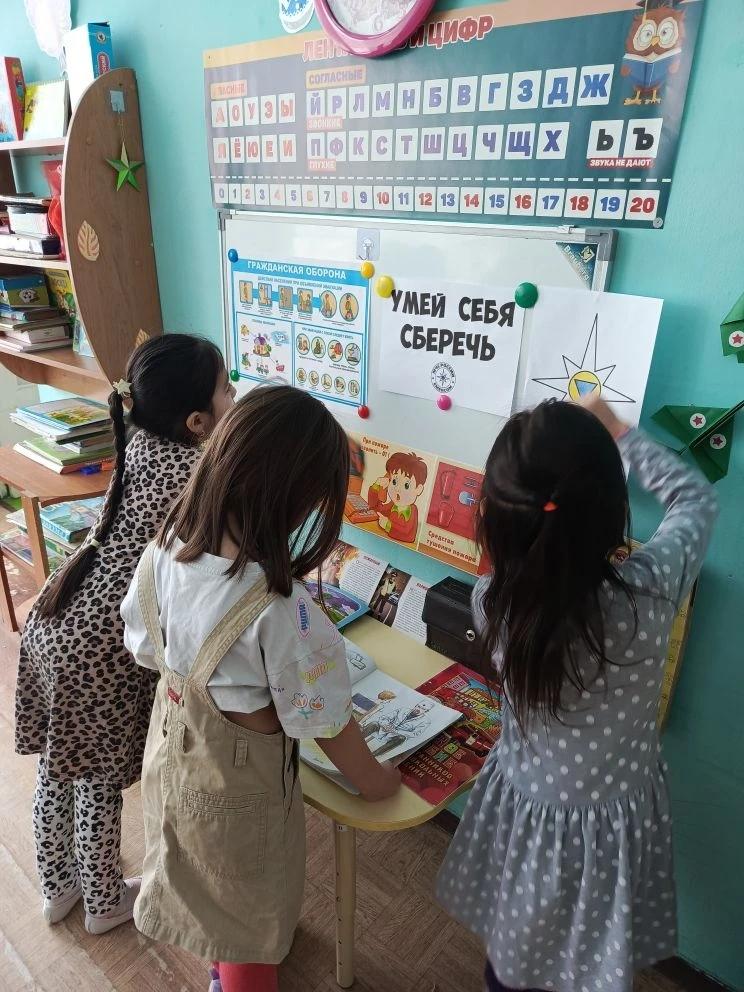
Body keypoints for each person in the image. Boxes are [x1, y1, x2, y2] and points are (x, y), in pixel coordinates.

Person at [120, 384, 400, 992]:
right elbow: (328, 723)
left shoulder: (165, 549)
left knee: (200, 878)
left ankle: (218, 971)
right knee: (245, 913)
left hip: (171, 758)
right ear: (293, 504)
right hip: (240, 794)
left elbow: (142, 644)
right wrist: (376, 783)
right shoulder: (280, 608)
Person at [436, 395, 718, 992]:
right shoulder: (651, 595)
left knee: (515, 949)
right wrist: (619, 432)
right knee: (593, 956)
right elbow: (695, 500)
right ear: (612, 513)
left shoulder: (494, 603)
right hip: (611, 827)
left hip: (528, 814)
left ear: (498, 521)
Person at [15, 334, 235, 934]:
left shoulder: (138, 442)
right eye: (226, 388)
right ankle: (104, 901)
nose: (234, 395)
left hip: (57, 615)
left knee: (57, 768)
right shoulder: (194, 470)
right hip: (97, 646)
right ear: (197, 421)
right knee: (99, 780)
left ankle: (59, 888)